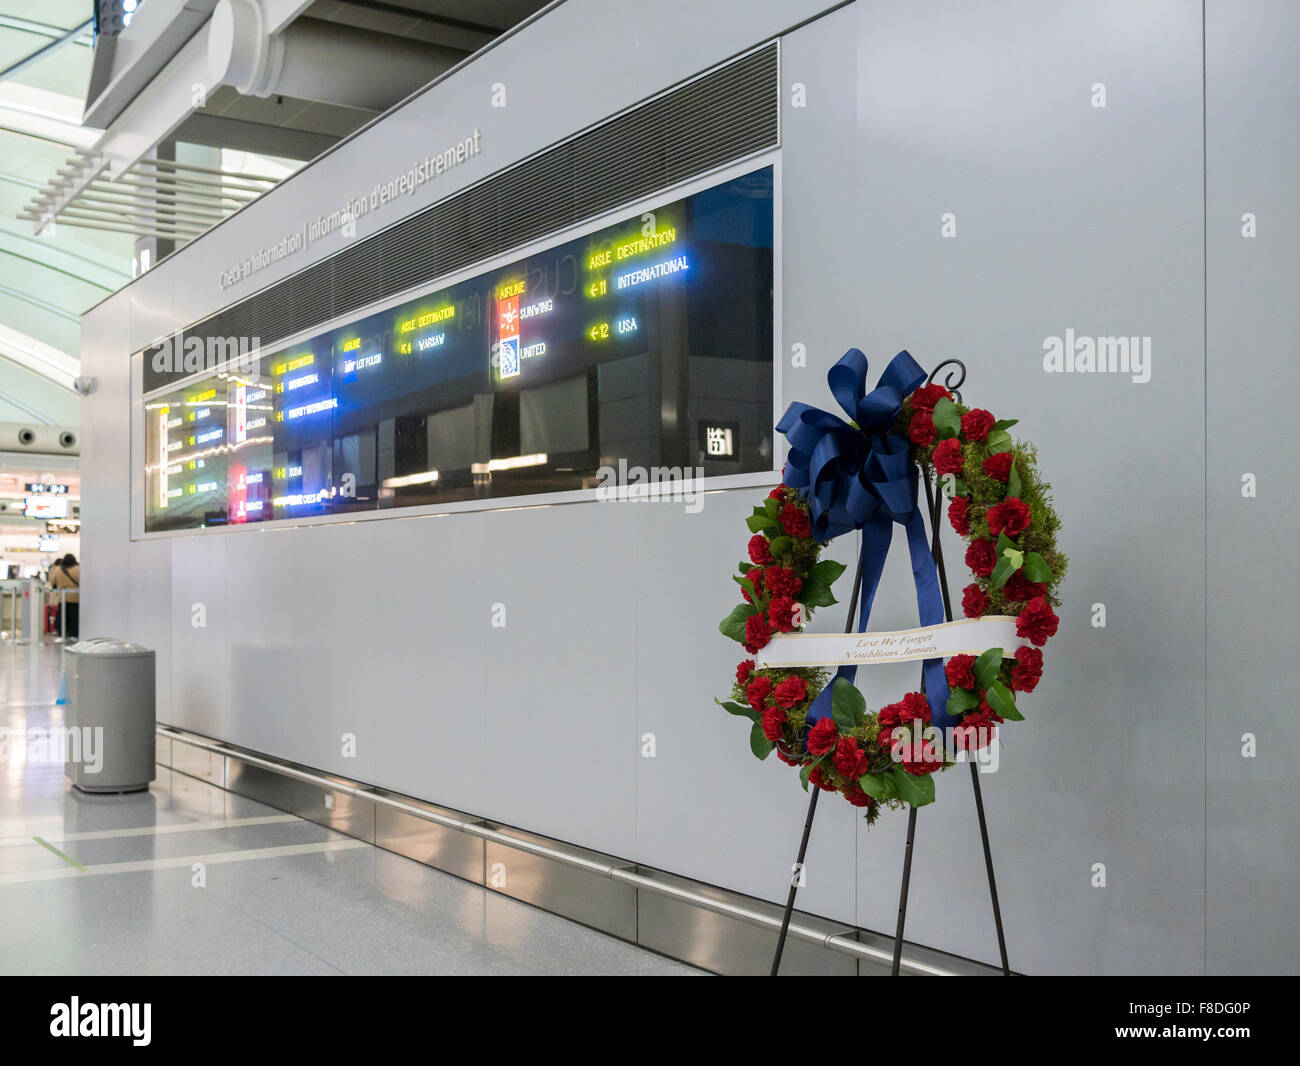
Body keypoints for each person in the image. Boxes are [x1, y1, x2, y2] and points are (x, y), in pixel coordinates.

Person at [48, 553, 79, 639]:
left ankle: (62, 634)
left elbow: (52, 582)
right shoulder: (78, 569)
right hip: (76, 598)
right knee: (74, 617)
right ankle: (74, 635)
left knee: (62, 616)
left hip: (62, 598)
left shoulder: (58, 570)